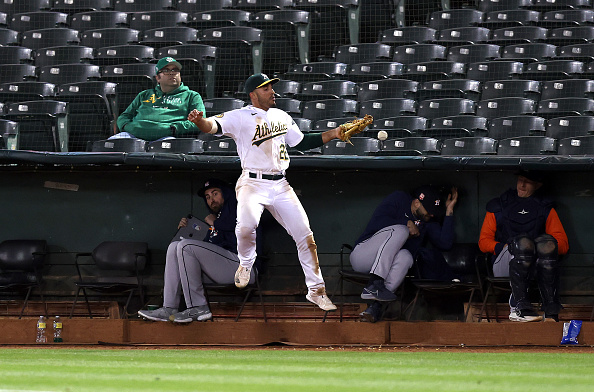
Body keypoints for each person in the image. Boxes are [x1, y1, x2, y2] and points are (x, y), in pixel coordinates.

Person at [186, 73, 348, 312]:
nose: (272, 91)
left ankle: (316, 291)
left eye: (272, 86)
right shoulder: (241, 116)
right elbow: (213, 126)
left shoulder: (281, 116)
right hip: (252, 182)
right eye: (266, 88)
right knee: (245, 226)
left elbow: (301, 142)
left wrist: (333, 134)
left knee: (306, 237)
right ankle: (245, 263)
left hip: (281, 185)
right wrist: (199, 121)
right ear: (253, 94)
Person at [137, 178, 255, 323]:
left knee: (185, 247)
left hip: (244, 269)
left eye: (215, 193)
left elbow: (246, 228)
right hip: (224, 268)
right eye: (208, 197)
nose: (212, 199)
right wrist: (184, 231)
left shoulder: (241, 206)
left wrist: (216, 223)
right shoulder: (217, 218)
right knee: (175, 246)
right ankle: (169, 308)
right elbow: (205, 249)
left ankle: (198, 307)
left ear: (225, 193)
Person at [350, 185, 459, 323]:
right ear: (416, 202)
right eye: (429, 210)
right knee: (401, 230)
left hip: (386, 265)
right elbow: (377, 222)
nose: (431, 214)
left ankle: (375, 307)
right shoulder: (399, 199)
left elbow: (445, 243)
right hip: (363, 255)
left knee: (406, 257)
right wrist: (406, 223)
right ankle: (375, 283)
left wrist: (449, 211)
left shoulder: (426, 222)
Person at [479, 170, 569, 322]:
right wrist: (509, 248)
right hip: (504, 262)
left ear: (537, 185)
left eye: (527, 182)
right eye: (520, 179)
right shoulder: (501, 204)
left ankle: (550, 310)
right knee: (522, 245)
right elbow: (483, 242)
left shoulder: (544, 208)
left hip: (534, 264)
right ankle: (517, 307)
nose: (521, 184)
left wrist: (537, 249)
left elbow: (563, 244)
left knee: (545, 244)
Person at [114, 57, 205, 141]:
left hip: (167, 137)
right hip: (133, 135)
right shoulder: (144, 94)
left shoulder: (192, 96)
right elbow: (124, 116)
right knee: (109, 147)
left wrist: (174, 128)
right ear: (158, 78)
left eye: (175, 70)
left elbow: (199, 122)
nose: (171, 73)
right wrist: (128, 126)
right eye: (166, 70)